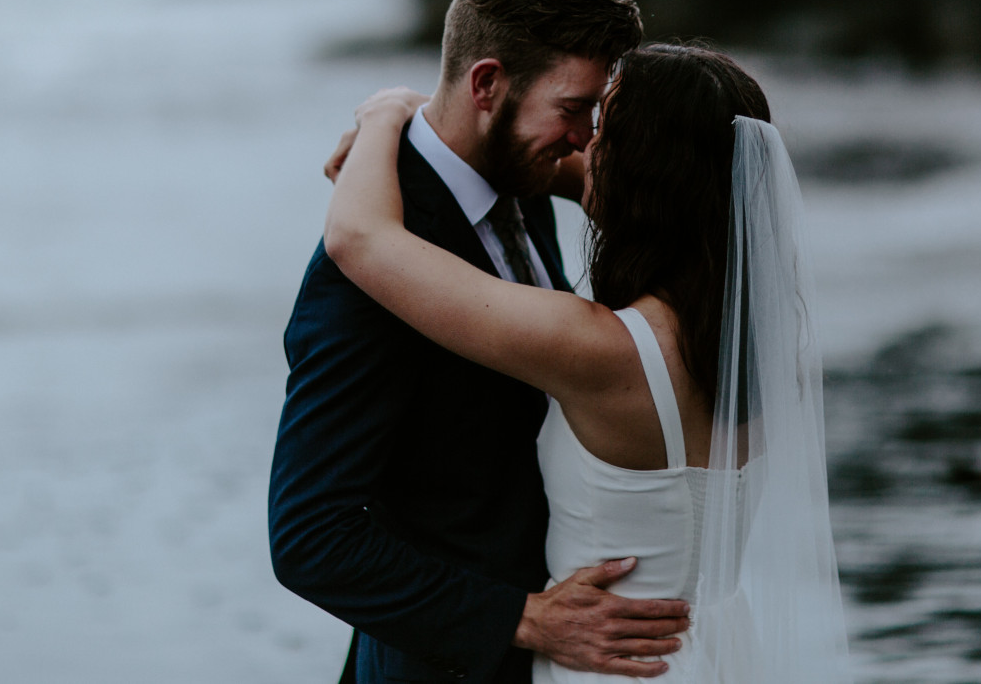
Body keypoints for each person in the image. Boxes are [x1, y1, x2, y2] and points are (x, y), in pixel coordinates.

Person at [325, 43, 852, 682]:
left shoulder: (600, 350)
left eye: (603, 132)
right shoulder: (762, 339)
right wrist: (442, 116)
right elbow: (622, 186)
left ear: (643, 171)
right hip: (714, 654)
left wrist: (386, 114)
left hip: (610, 665)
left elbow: (360, 239)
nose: (584, 146)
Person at [268, 0, 689, 684]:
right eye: (574, 109)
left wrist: (388, 109)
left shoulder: (526, 177)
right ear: (488, 82)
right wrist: (522, 618)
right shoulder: (373, 262)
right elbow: (308, 534)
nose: (586, 140)